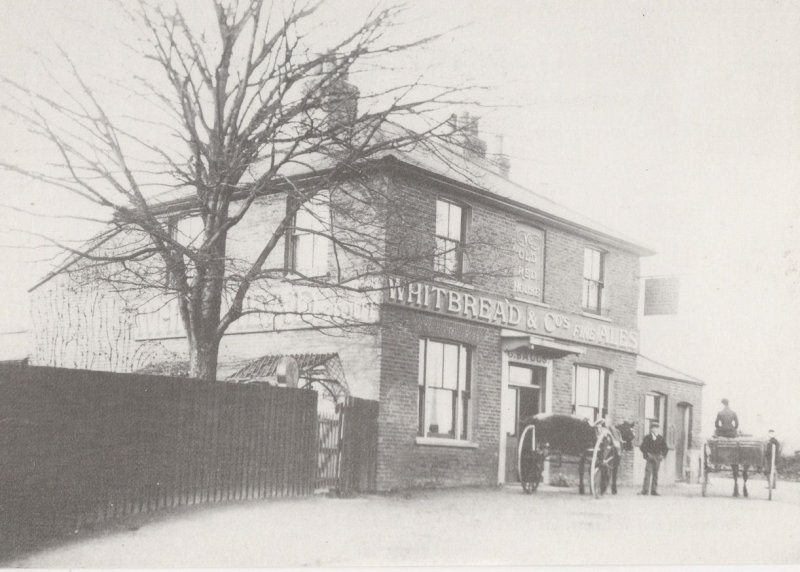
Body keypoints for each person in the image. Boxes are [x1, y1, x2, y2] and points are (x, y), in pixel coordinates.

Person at [639, 422, 668, 496]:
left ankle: (654, 490)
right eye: (653, 428)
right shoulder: (647, 437)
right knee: (647, 474)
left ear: (658, 429)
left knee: (655, 474)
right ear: (651, 429)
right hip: (650, 457)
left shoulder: (660, 438)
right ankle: (645, 490)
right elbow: (642, 447)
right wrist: (647, 454)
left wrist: (662, 455)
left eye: (657, 428)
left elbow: (665, 448)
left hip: (658, 457)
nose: (655, 429)